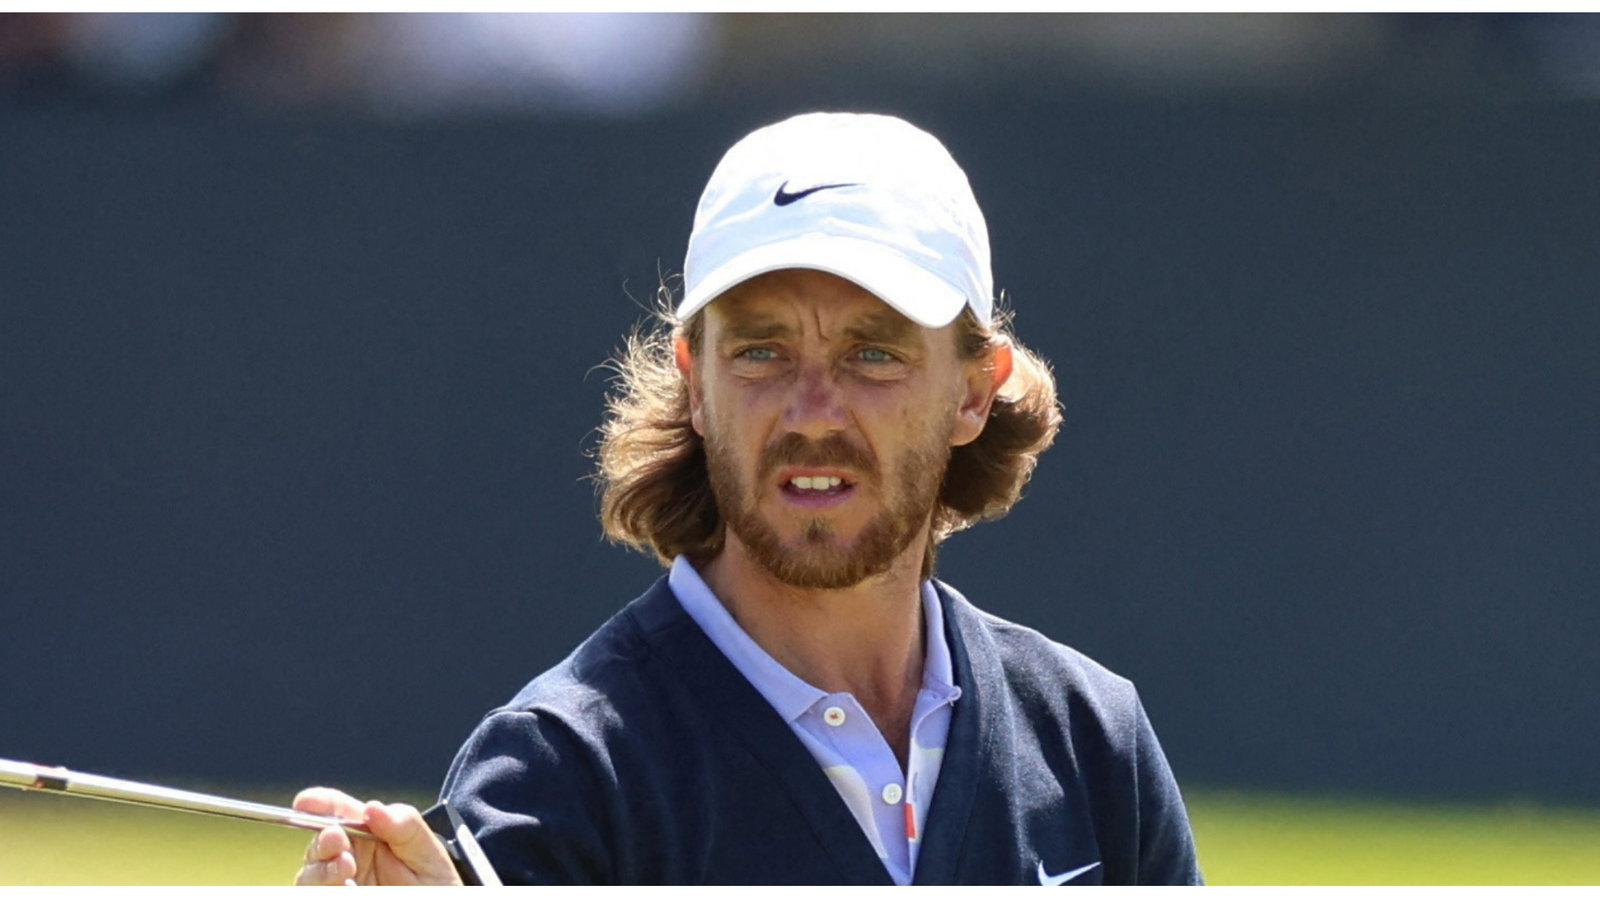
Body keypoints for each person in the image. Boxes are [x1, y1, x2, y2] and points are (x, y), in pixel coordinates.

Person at [292, 111, 1203, 886]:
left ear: (973, 390)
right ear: (695, 382)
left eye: (872, 354)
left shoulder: (1092, 742)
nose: (813, 412)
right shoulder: (563, 774)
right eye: (761, 352)